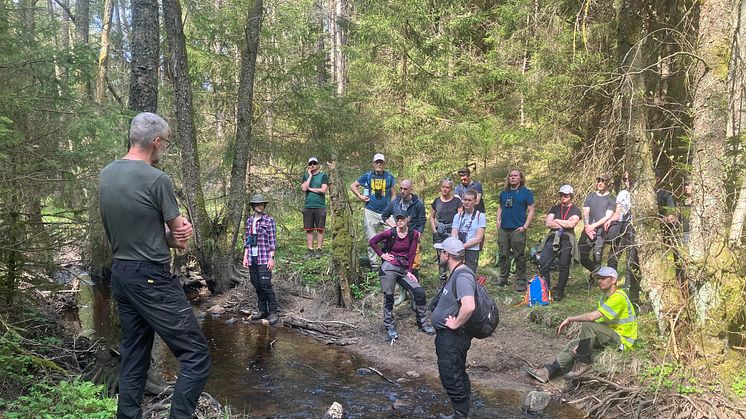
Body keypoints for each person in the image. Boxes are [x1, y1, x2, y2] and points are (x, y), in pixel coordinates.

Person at [99, 112, 211, 419]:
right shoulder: (157, 179)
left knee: (134, 355)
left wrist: (170, 237)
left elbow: (137, 232)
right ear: (156, 142)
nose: (165, 150)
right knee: (196, 357)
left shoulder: (106, 174)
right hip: (151, 276)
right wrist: (182, 232)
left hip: (121, 273)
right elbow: (180, 236)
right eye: (167, 144)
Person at [527, 267, 637, 383]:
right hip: (609, 335)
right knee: (572, 344)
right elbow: (599, 323)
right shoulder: (604, 299)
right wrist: (582, 346)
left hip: (622, 341)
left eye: (603, 278)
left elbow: (591, 318)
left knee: (588, 325)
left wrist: (570, 319)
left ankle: (583, 362)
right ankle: (548, 371)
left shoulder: (619, 297)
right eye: (599, 278)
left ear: (614, 280)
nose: (600, 281)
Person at [369, 209, 435, 340]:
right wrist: (382, 255)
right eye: (397, 219)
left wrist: (410, 271)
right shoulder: (390, 233)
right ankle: (389, 326)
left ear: (407, 220)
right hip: (389, 267)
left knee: (419, 291)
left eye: (401, 219)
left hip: (404, 269)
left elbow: (412, 254)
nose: (399, 221)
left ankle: (423, 323)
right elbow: (372, 241)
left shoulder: (414, 234)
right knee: (389, 296)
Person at [431, 237, 476, 419]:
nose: (440, 254)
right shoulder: (458, 273)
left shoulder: (463, 275)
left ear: (446, 255)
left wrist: (456, 323)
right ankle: (461, 413)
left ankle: (460, 415)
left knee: (451, 375)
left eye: (441, 252)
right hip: (450, 336)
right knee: (456, 372)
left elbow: (469, 305)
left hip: (453, 336)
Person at [381, 179, 427, 305]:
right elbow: (384, 215)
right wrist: (394, 227)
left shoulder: (418, 204)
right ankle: (402, 294)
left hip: (412, 239)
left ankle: (414, 296)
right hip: (398, 240)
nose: (402, 191)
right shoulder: (395, 202)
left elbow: (422, 221)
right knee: (400, 266)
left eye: (405, 189)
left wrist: (417, 235)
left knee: (413, 266)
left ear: (410, 189)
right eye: (400, 188)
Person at [350, 153, 396, 270]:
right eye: (377, 162)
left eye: (381, 162)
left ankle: (391, 261)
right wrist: (360, 196)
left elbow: (393, 194)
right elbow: (353, 186)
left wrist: (392, 208)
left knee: (394, 235)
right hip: (370, 211)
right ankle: (374, 265)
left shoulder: (389, 177)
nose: (379, 164)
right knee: (371, 239)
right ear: (373, 164)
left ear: (384, 163)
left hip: (386, 212)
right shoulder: (368, 176)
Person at [538, 185, 582, 301]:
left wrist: (556, 221)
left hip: (567, 239)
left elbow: (572, 224)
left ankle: (560, 290)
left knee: (564, 265)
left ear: (571, 196)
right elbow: (548, 223)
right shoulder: (555, 208)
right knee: (544, 262)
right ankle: (546, 289)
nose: (563, 197)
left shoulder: (576, 210)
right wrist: (564, 222)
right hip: (553, 237)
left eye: (566, 195)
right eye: (561, 194)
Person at [243, 194, 279, 325]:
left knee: (266, 285)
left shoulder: (269, 220)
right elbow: (248, 240)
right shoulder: (249, 221)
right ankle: (262, 311)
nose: (260, 206)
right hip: (253, 258)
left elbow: (272, 240)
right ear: (253, 206)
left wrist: (271, 258)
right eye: (257, 204)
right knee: (256, 284)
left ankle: (273, 312)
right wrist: (245, 256)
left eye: (262, 204)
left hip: (264, 257)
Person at [496, 169, 535, 292]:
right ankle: (503, 278)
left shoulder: (526, 193)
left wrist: (525, 226)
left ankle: (521, 281)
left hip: (518, 229)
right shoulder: (504, 193)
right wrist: (498, 221)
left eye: (515, 176)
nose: (513, 177)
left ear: (520, 178)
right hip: (504, 228)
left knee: (519, 256)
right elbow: (500, 208)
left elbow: (531, 210)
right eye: (511, 176)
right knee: (503, 254)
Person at [606, 173, 641, 303]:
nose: (628, 181)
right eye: (625, 179)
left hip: (635, 227)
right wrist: (610, 220)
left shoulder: (641, 193)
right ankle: (610, 283)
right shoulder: (622, 194)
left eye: (630, 179)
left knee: (631, 259)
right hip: (622, 226)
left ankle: (629, 287)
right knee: (613, 256)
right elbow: (618, 211)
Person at [578, 173, 616, 275]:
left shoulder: (611, 198)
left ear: (608, 183)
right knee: (581, 255)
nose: (600, 183)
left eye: (602, 181)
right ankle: (597, 273)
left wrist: (593, 227)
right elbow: (585, 212)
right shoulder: (591, 196)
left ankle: (596, 280)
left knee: (597, 258)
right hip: (587, 231)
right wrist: (587, 227)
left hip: (601, 232)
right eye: (598, 180)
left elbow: (608, 216)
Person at [430, 178, 463, 281]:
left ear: (451, 189)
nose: (445, 189)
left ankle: (454, 277)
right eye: (443, 187)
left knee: (453, 255)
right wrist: (434, 230)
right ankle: (442, 278)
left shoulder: (457, 201)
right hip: (439, 231)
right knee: (441, 256)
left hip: (452, 231)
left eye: (447, 187)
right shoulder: (436, 201)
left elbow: (460, 217)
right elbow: (431, 216)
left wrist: (456, 232)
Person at [451, 190, 486, 274]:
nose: (466, 202)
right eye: (465, 200)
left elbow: (478, 238)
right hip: (458, 250)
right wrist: (455, 246)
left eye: (469, 200)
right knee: (456, 273)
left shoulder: (480, 216)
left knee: (469, 274)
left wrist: (463, 246)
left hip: (472, 250)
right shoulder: (457, 216)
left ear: (475, 201)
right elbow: (454, 233)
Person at [300, 157, 329, 259]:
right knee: (309, 229)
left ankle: (319, 249)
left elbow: (323, 190)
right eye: (310, 164)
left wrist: (310, 189)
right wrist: (310, 176)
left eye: (314, 163)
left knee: (320, 229)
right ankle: (310, 249)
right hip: (308, 206)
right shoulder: (305, 176)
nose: (312, 165)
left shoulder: (323, 176)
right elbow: (304, 188)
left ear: (318, 165)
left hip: (320, 206)